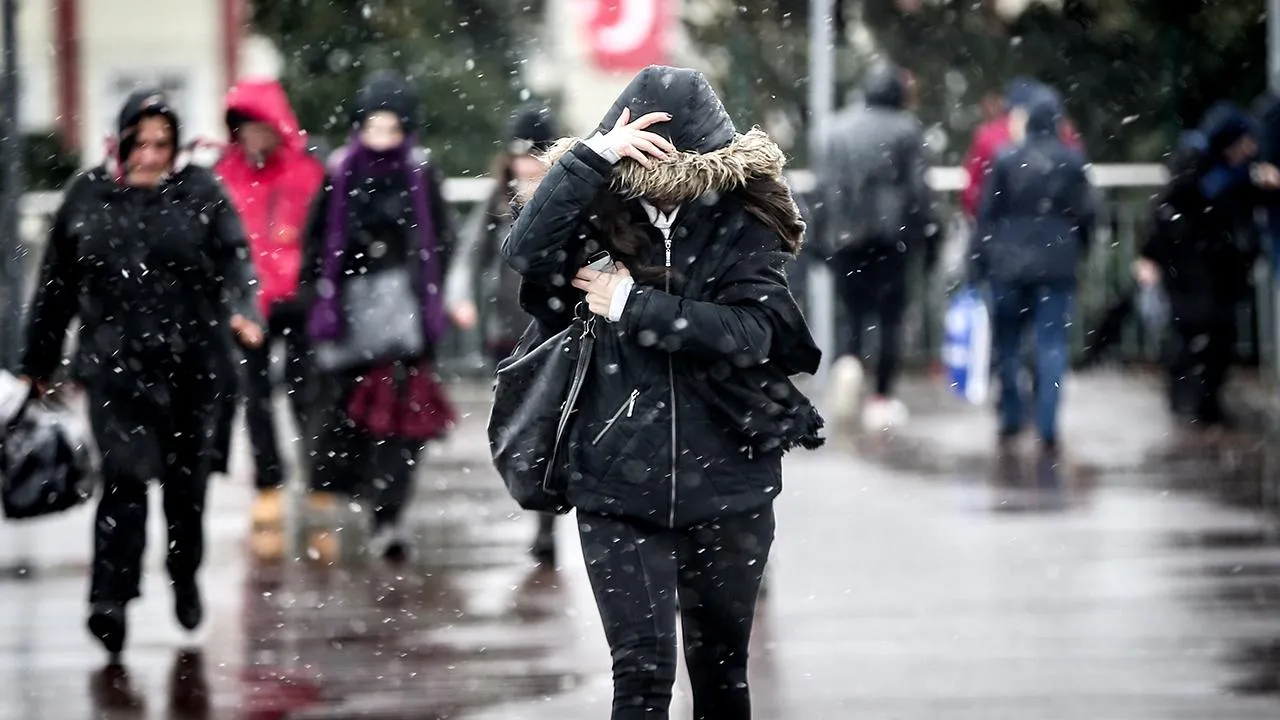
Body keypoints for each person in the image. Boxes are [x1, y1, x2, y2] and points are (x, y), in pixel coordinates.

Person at [503, 65, 824, 720]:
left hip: (729, 479)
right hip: (616, 481)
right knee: (642, 679)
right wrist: (591, 158)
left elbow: (756, 331)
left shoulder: (740, 223)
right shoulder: (595, 214)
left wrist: (636, 305)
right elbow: (525, 253)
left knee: (721, 680)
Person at [20, 88, 263, 656]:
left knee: (185, 490)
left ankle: (184, 574)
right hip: (113, 369)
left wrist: (243, 311)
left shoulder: (201, 191)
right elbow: (56, 285)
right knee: (124, 483)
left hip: (193, 368)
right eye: (141, 143)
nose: (151, 155)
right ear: (121, 141)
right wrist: (37, 363)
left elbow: (237, 260)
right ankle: (110, 599)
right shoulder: (88, 195)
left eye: (163, 143)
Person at [299, 71, 457, 563]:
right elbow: (316, 241)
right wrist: (320, 298)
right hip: (346, 322)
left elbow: (441, 242)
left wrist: (423, 296)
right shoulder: (340, 172)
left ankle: (388, 516)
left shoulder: (419, 172)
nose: (382, 137)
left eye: (392, 127)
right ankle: (364, 500)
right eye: (374, 126)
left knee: (401, 426)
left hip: (406, 326)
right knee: (345, 422)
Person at [444, 101, 561, 564]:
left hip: (554, 327)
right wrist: (461, 299)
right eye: (518, 155)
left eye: (534, 154)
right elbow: (470, 256)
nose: (525, 165)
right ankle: (536, 501)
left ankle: (546, 520)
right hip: (507, 333)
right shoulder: (498, 204)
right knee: (520, 426)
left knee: (550, 424)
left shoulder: (566, 197)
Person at [214, 77, 325, 561]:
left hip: (297, 302)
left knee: (307, 395)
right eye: (244, 128)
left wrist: (310, 286)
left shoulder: (306, 171)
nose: (252, 138)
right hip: (249, 307)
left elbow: (322, 237)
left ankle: (317, 477)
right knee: (254, 398)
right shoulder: (224, 174)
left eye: (259, 127)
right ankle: (269, 483)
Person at [1135, 102, 1280, 427]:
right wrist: (1151, 257)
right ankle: (1190, 404)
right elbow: (1165, 212)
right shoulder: (1196, 165)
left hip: (1221, 271)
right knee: (1191, 335)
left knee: (1218, 337)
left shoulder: (1241, 173)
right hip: (1191, 270)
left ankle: (1205, 404)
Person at [971, 87, 1095, 454]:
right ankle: (1047, 423)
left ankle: (1011, 417)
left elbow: (987, 216)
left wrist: (979, 260)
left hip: (1008, 266)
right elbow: (1088, 214)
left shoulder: (1006, 159)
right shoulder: (1072, 162)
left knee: (1007, 343)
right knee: (1051, 343)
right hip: (1057, 266)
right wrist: (1077, 249)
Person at [817, 60, 937, 431]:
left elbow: (825, 188)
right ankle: (881, 398)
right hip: (892, 238)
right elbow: (918, 191)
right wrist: (927, 234)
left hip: (847, 237)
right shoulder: (906, 130)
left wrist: (820, 238)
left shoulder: (837, 128)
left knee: (851, 313)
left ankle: (849, 363)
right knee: (889, 319)